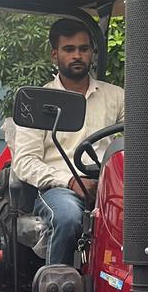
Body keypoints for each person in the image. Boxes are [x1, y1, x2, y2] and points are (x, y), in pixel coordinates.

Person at [11, 18, 123, 265]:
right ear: (55, 54)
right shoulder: (37, 101)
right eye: (69, 49)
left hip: (108, 187)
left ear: (92, 53)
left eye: (83, 49)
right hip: (59, 190)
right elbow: (25, 161)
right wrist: (70, 181)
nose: (77, 56)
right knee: (69, 218)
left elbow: (139, 136)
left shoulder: (116, 96)